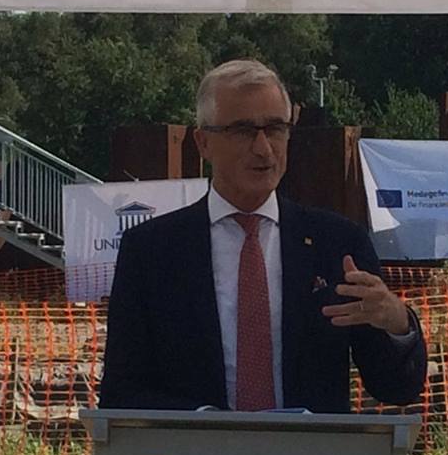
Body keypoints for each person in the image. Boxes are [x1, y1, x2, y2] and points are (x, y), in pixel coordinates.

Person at [99, 59, 426, 413]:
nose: (263, 148)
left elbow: (397, 388)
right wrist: (207, 426)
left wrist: (397, 322)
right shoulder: (151, 251)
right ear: (203, 142)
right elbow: (121, 392)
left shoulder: (338, 243)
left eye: (274, 129)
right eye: (242, 130)